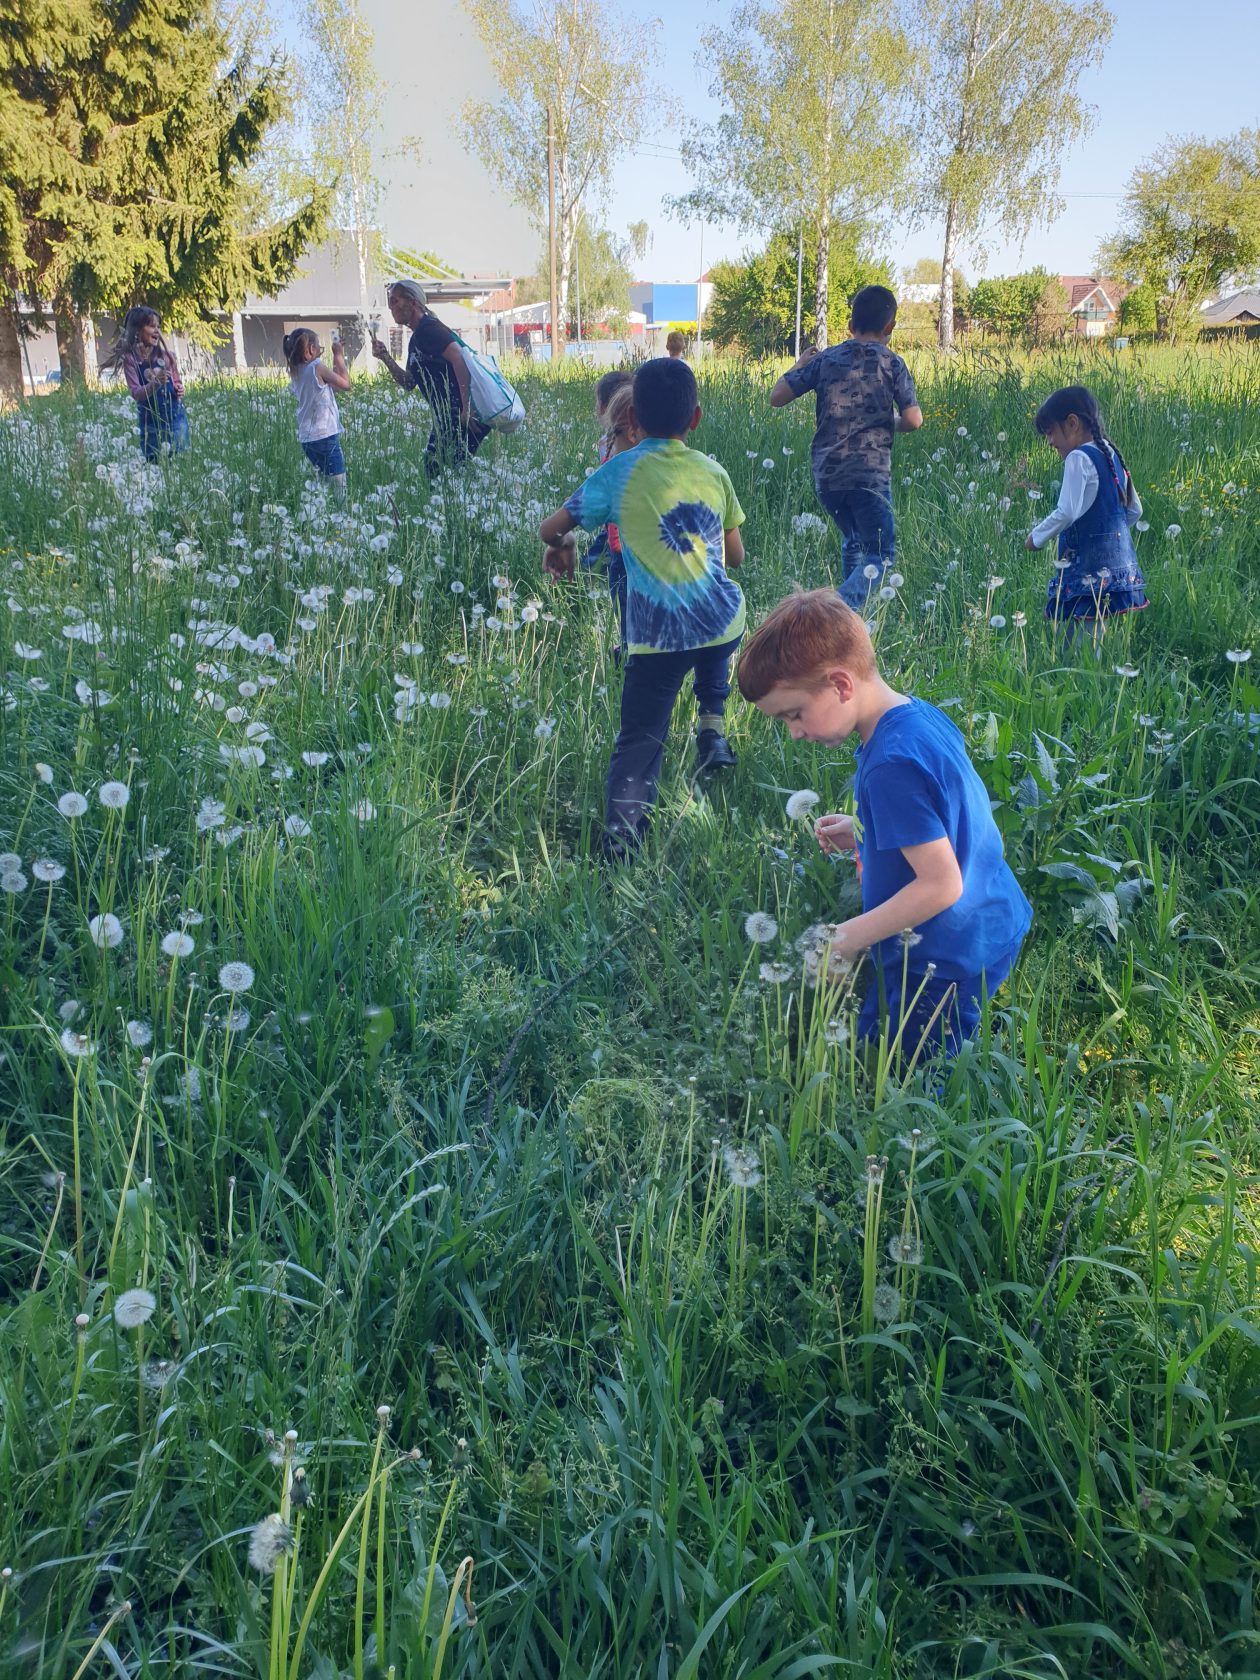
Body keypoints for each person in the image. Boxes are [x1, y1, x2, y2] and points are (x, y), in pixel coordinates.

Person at [738, 589, 1031, 1060]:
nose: (794, 732)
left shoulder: (888, 766)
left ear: (841, 684)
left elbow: (940, 884)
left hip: (939, 956)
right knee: (889, 1034)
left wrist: (846, 939)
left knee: (904, 1067)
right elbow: (941, 814)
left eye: (794, 714)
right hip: (990, 916)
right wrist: (865, 829)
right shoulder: (915, 718)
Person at [539, 357, 747, 858]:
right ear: (695, 418)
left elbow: (551, 528)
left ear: (632, 418)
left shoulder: (618, 472)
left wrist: (561, 546)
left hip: (657, 638)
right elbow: (735, 556)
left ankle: (622, 847)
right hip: (721, 623)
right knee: (714, 626)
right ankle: (711, 722)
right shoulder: (714, 471)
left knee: (640, 736)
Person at [769, 285, 922, 611]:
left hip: (828, 475)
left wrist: (799, 365)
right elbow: (913, 419)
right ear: (889, 328)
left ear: (850, 326)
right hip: (870, 475)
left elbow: (776, 397)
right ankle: (837, 611)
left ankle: (850, 626)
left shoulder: (826, 359)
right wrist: (889, 421)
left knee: (854, 539)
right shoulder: (892, 363)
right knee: (881, 555)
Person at [1025, 384, 1148, 645]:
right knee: (1098, 637)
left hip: (1087, 568)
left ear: (1072, 423)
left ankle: (1075, 681)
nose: (1049, 442)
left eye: (1050, 433)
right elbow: (1134, 509)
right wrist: (1108, 534)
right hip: (1118, 570)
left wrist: (1036, 538)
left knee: (1074, 639)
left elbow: (1067, 511)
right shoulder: (1111, 454)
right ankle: (1097, 680)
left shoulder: (1078, 458)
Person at [370, 279, 488, 465]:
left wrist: (466, 407)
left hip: (459, 415)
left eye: (395, 301)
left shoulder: (429, 329)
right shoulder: (416, 339)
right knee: (442, 470)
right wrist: (385, 357)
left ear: (413, 302)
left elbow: (459, 359)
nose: (391, 307)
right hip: (447, 418)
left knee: (440, 471)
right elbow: (409, 382)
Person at [583, 370, 635, 646]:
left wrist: (560, 536)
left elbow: (583, 509)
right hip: (647, 552)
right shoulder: (654, 450)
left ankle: (626, 661)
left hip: (620, 550)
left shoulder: (609, 449)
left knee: (628, 626)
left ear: (604, 409)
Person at [102, 307, 189, 462]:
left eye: (159, 327)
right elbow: (136, 393)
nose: (157, 331)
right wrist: (155, 384)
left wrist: (179, 388)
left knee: (179, 461)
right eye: (151, 326)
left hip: (175, 418)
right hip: (150, 423)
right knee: (153, 462)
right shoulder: (131, 360)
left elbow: (176, 381)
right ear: (137, 330)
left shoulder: (167, 357)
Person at [283, 327, 351, 499]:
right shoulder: (316, 366)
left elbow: (332, 386)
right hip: (325, 436)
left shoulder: (296, 371)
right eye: (319, 347)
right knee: (338, 484)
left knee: (323, 485)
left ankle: (323, 516)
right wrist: (338, 355)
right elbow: (345, 384)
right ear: (311, 349)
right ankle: (341, 516)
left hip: (307, 438)